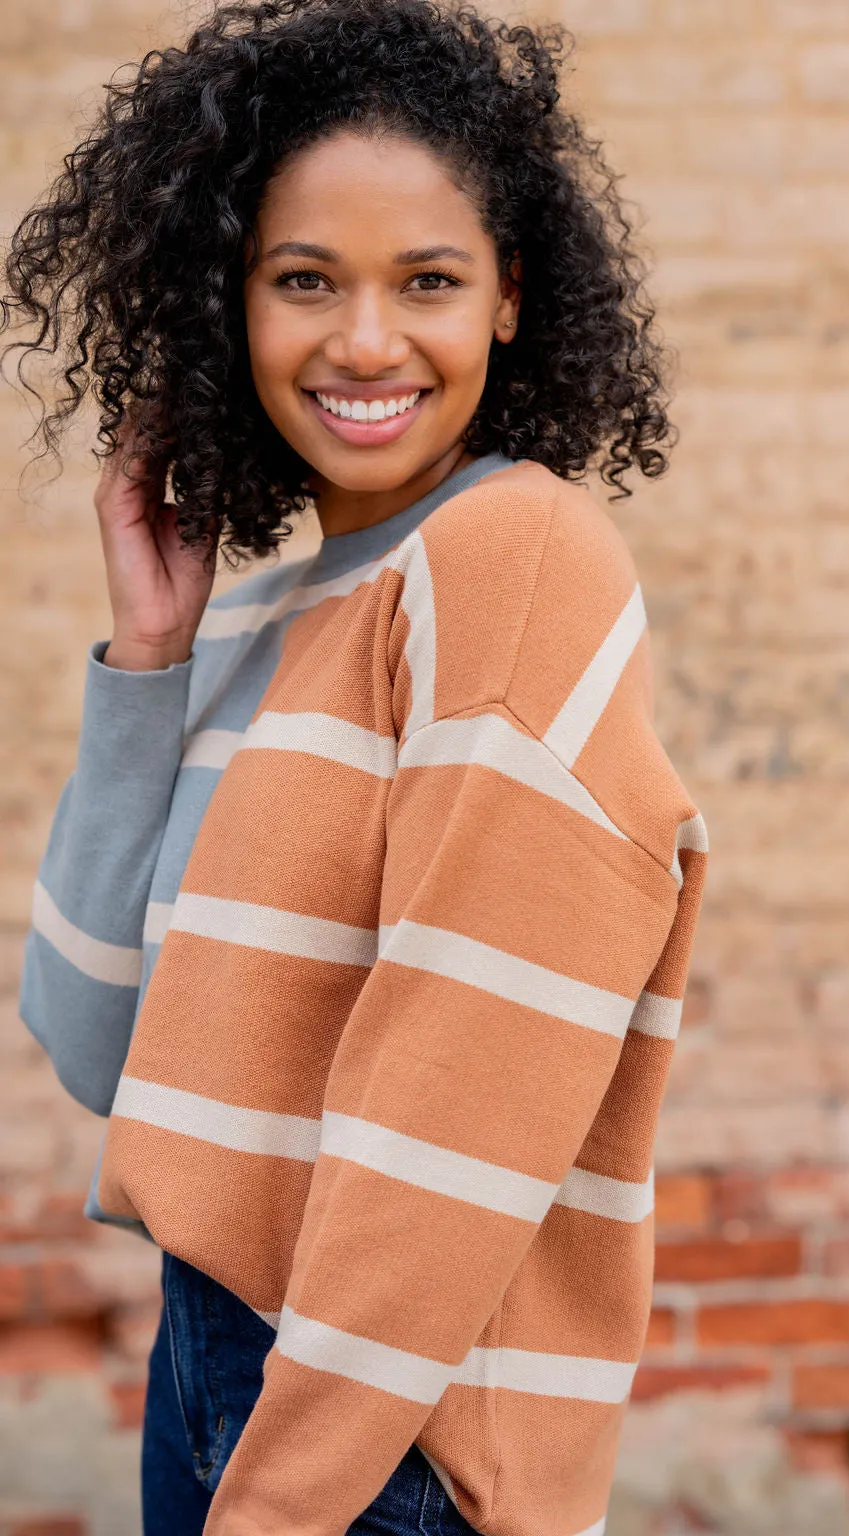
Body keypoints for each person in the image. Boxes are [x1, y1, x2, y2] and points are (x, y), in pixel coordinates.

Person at [4, 2, 708, 1532]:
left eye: (430, 282)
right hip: (225, 1366)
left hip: (380, 1432)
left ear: (514, 298)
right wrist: (150, 661)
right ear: (227, 303)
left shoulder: (512, 556)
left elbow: (462, 1098)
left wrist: (290, 1491)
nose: (367, 341)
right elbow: (94, 1047)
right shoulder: (265, 616)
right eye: (304, 280)